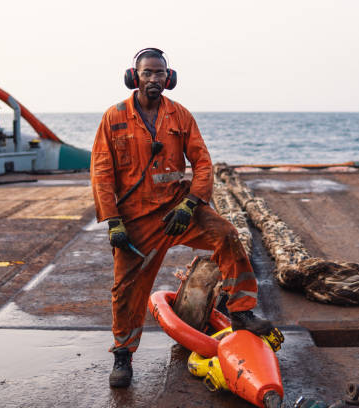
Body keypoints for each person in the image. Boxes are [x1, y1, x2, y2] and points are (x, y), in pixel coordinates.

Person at [91, 48, 274, 388]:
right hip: (136, 221)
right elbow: (101, 174)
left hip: (178, 209)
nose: (154, 79)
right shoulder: (113, 118)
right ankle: (123, 355)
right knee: (125, 290)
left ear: (169, 77)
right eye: (147, 73)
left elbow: (203, 163)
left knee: (227, 236)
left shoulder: (180, 116)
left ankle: (241, 312)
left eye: (160, 73)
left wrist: (191, 203)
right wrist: (113, 221)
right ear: (134, 76)